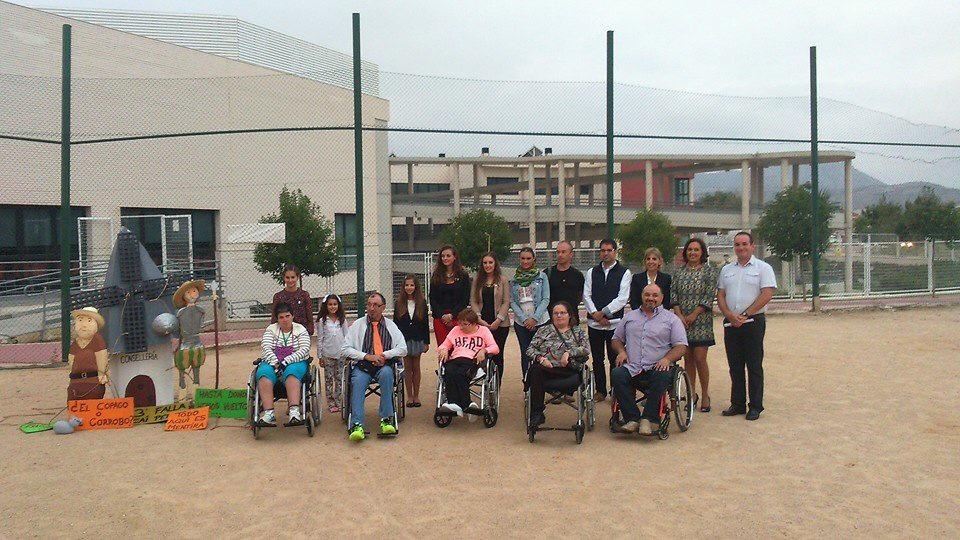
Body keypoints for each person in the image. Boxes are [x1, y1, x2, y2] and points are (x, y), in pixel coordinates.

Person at [610, 284, 688, 435]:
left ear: (662, 298)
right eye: (647, 295)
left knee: (662, 375)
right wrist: (621, 351)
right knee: (617, 374)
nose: (650, 298)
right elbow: (616, 339)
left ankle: (649, 419)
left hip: (658, 367)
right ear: (642, 296)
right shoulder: (629, 317)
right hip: (633, 367)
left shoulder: (671, 319)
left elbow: (681, 346)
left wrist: (667, 359)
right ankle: (632, 418)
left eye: (655, 295)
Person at [717, 231, 777, 421]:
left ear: (752, 246)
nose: (741, 248)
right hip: (731, 322)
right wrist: (729, 314)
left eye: (744, 244)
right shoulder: (726, 270)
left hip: (752, 322)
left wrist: (745, 315)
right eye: (737, 244)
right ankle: (737, 403)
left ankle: (755, 406)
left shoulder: (763, 268)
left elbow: (767, 294)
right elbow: (721, 294)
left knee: (754, 364)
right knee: (735, 365)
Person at [340, 292, 408, 441]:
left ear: (383, 308)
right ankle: (357, 423)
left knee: (387, 375)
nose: (371, 308)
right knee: (357, 381)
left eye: (375, 305)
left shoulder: (391, 326)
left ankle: (387, 419)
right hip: (363, 366)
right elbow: (344, 349)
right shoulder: (357, 325)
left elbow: (403, 348)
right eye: (369, 305)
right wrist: (366, 356)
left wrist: (385, 355)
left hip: (384, 366)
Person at [672, 238, 720, 412]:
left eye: (696, 250)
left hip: (701, 322)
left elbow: (709, 296)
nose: (692, 253)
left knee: (700, 358)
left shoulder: (709, 272)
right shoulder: (678, 272)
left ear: (702, 252)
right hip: (682, 322)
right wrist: (680, 316)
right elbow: (673, 295)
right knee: (688, 360)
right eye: (690, 249)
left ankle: (705, 394)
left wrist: (693, 315)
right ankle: (691, 394)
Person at [525, 301, 589, 427]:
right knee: (535, 369)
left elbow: (586, 349)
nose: (559, 316)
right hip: (547, 369)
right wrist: (541, 359)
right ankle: (537, 413)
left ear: (569, 315)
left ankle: (579, 420)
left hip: (569, 370)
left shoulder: (578, 331)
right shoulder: (543, 330)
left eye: (563, 313)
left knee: (536, 371)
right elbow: (530, 349)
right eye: (556, 313)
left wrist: (569, 353)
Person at [583, 238, 632, 402]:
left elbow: (622, 298)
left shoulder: (624, 273)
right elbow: (586, 295)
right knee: (597, 359)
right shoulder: (592, 272)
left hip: (614, 324)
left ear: (615, 252)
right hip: (594, 324)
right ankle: (600, 391)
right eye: (603, 250)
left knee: (614, 358)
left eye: (609, 250)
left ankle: (616, 390)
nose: (606, 253)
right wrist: (595, 314)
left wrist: (604, 313)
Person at [255, 302, 312, 427]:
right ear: (277, 319)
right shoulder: (271, 330)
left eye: (287, 316)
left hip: (296, 361)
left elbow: (304, 349)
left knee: (292, 373)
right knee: (263, 373)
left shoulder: (301, 329)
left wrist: (286, 361)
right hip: (272, 361)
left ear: (292, 316)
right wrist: (275, 362)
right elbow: (266, 347)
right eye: (281, 317)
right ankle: (269, 413)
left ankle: (294, 412)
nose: (285, 320)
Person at [436, 308, 500, 419]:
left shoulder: (484, 331)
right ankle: (461, 405)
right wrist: (444, 349)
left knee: (460, 374)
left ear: (474, 323)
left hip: (472, 360)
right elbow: (444, 345)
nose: (461, 327)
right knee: (448, 372)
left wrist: (484, 350)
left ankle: (460, 403)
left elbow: (495, 348)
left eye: (465, 324)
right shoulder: (456, 330)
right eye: (460, 324)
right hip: (455, 358)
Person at [470, 252, 511, 385]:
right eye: (485, 263)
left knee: (498, 355)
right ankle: (485, 383)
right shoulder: (477, 280)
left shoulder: (503, 280)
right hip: (482, 323)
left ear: (495, 264)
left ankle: (496, 386)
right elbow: (473, 300)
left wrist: (498, 320)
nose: (487, 265)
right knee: (482, 354)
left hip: (500, 324)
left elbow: (506, 301)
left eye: (490, 262)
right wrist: (478, 318)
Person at [509, 247, 551, 375]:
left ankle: (542, 381)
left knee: (542, 353)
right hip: (521, 323)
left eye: (528, 258)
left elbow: (545, 298)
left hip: (541, 320)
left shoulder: (542, 277)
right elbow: (512, 301)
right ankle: (527, 382)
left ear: (534, 259)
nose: (525, 261)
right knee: (526, 353)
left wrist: (534, 318)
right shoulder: (514, 279)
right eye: (523, 258)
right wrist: (524, 319)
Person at [395, 275, 430, 408]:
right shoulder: (399, 303)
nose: (409, 287)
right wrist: (396, 342)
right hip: (404, 339)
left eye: (412, 285)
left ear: (416, 287)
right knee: (407, 368)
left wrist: (426, 342)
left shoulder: (422, 303)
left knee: (416, 367)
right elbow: (396, 324)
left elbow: (425, 324)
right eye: (407, 285)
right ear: (403, 287)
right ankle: (409, 396)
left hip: (418, 338)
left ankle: (416, 396)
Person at [429, 245, 471, 346]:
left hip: (458, 318)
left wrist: (452, 315)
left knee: (458, 348)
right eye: (443, 256)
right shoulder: (436, 275)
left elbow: (465, 299)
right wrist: (442, 316)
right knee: (443, 348)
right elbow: (432, 298)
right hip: (440, 319)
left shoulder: (463, 275)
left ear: (454, 257)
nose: (445, 258)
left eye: (448, 256)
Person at [67, 306, 109, 402]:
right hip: (75, 382)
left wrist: (101, 374)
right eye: (80, 320)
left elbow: (101, 358)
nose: (83, 325)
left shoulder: (97, 341)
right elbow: (71, 360)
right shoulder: (75, 343)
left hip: (93, 381)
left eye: (89, 321)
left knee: (92, 403)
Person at [317, 293, 349, 413]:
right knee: (329, 379)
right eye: (330, 304)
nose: (332, 307)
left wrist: (348, 352)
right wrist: (320, 356)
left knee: (340, 379)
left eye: (335, 304)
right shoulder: (322, 321)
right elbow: (320, 338)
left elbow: (347, 336)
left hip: (341, 354)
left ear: (338, 305)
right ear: (326, 306)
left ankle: (339, 401)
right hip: (327, 354)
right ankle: (331, 403)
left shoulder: (342, 320)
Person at [547, 240, 585, 325]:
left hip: (572, 321)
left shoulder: (577, 275)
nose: (560, 255)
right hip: (551, 321)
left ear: (571, 254)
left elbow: (580, 296)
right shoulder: (548, 273)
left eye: (563, 252)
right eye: (558, 252)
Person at [272, 264, 315, 336]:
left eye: (293, 277)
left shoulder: (304, 295)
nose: (290, 280)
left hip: (301, 333)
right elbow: (274, 318)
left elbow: (309, 317)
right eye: (287, 277)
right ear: (284, 278)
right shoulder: (278, 296)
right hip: (284, 334)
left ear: (297, 277)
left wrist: (308, 333)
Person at [629, 247, 671, 311]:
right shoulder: (636, 278)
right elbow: (633, 301)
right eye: (648, 259)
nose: (651, 261)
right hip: (640, 314)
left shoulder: (666, 279)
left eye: (654, 259)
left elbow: (667, 301)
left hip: (660, 314)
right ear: (645, 261)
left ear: (659, 262)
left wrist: (657, 313)